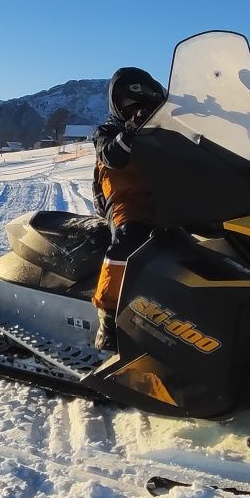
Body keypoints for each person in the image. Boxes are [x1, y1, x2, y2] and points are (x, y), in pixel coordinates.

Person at [91, 66, 166, 349]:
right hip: (126, 203)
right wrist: (132, 130)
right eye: (131, 103)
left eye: (146, 103)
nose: (138, 109)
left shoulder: (164, 131)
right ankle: (108, 321)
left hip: (166, 200)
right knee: (129, 239)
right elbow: (112, 157)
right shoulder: (108, 131)